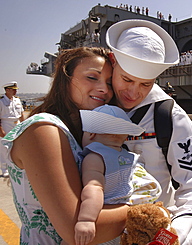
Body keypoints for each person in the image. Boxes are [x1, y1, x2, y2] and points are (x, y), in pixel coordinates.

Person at [1, 47, 130, 244]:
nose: (104, 89)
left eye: (109, 82)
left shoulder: (83, 135)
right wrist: (148, 208)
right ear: (65, 79)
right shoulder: (43, 128)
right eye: (92, 77)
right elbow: (73, 231)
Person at [106, 19, 192, 245]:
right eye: (127, 79)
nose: (133, 92)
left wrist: (167, 239)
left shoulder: (171, 118)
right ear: (112, 61)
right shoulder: (92, 107)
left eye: (146, 84)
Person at [69, 105, 161, 245]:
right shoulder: (128, 157)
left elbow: (94, 187)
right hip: (124, 221)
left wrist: (86, 220)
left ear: (90, 133)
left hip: (103, 214)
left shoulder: (95, 157)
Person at [0, 81, 25, 177]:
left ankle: (16, 167)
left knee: (17, 147)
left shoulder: (17, 100)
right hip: (6, 124)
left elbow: (21, 114)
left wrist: (23, 125)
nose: (15, 92)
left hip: (17, 124)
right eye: (13, 90)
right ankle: (4, 169)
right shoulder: (1, 102)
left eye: (15, 90)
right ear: (7, 90)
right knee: (4, 148)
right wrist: (1, 130)